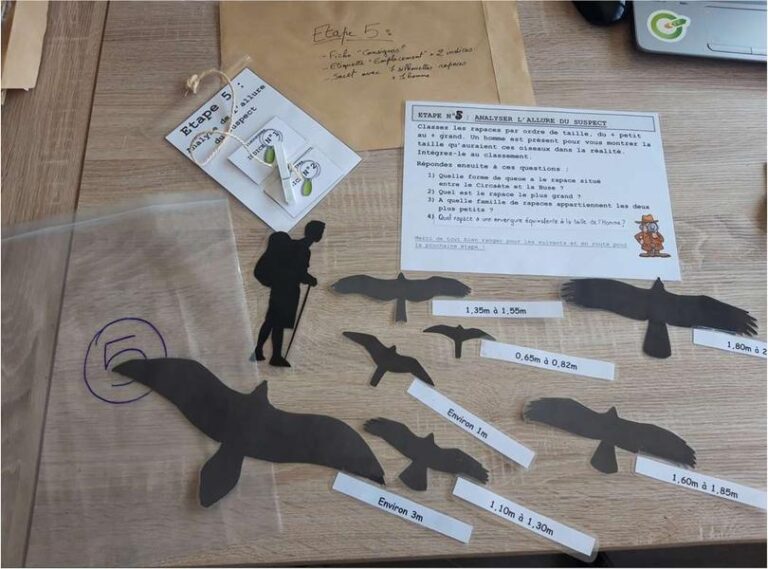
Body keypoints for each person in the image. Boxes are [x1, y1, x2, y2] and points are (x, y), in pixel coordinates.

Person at [252, 220, 325, 366]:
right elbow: (297, 272)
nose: (321, 234)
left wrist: (305, 278)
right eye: (320, 231)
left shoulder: (300, 247)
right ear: (314, 233)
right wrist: (310, 279)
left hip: (284, 289)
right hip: (286, 290)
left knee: (274, 321)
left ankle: (266, 353)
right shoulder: (301, 249)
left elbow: (296, 271)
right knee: (275, 322)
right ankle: (268, 354)